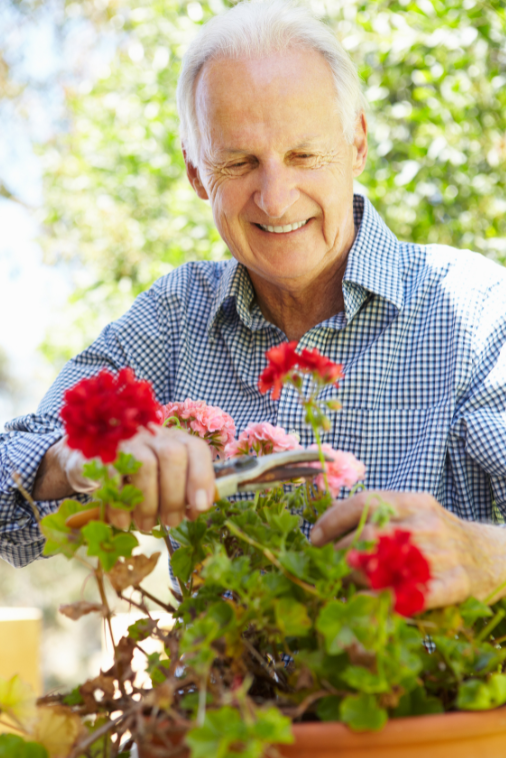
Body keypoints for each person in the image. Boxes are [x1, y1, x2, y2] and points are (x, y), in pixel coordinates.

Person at [2, 0, 506, 610]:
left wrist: (483, 554)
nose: (274, 198)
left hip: (432, 706)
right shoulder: (172, 320)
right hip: (221, 706)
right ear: (196, 176)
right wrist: (76, 459)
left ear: (357, 145)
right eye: (239, 163)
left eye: (304, 155)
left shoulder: (477, 312)